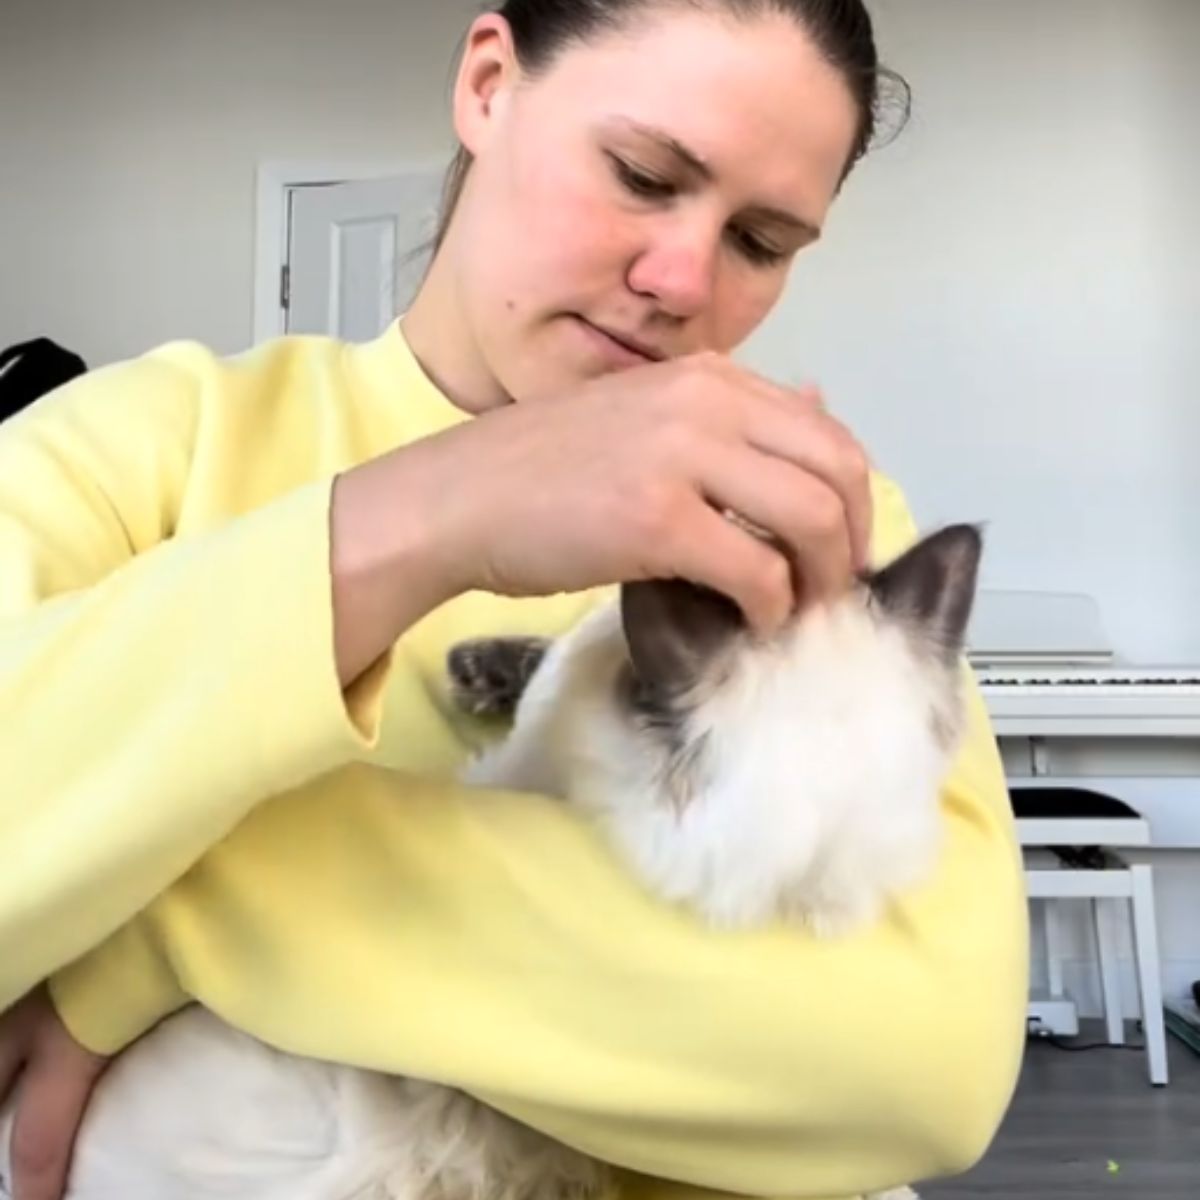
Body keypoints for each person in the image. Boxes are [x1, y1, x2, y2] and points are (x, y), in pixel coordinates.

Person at [0, 2, 1029, 1198]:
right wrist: (433, 510)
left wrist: (159, 917)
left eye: (761, 240)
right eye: (643, 175)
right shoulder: (142, 445)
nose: (682, 279)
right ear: (489, 83)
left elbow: (922, 1066)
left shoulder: (813, 524)